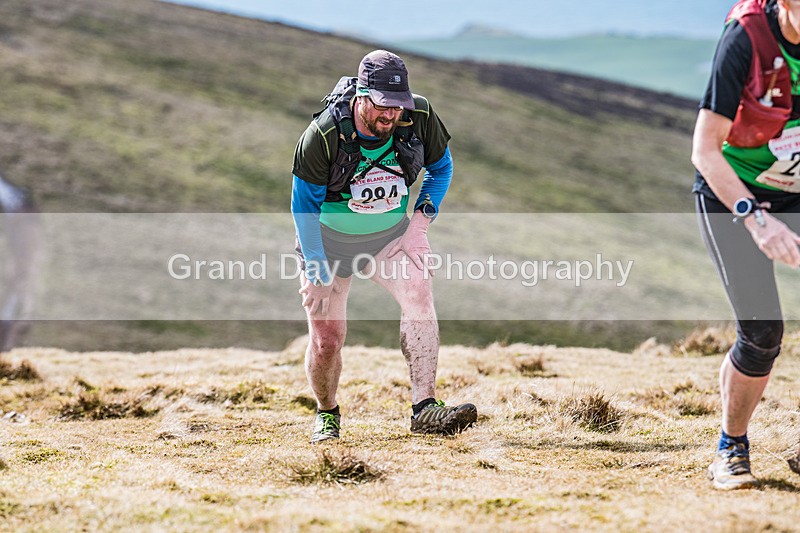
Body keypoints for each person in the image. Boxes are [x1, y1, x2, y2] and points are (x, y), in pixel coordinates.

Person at [291, 50, 477, 443]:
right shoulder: (323, 135)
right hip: (327, 245)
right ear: (361, 95)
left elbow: (442, 168)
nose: (391, 116)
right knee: (327, 340)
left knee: (419, 295)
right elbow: (302, 207)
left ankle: (424, 409)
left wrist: (419, 227)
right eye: (382, 106)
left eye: (399, 106)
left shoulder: (419, 117)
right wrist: (315, 267)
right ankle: (327, 414)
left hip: (390, 240)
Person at [692, 0, 800, 490]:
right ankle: (730, 448)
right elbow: (705, 150)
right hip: (732, 191)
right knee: (761, 334)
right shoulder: (747, 37)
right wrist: (758, 223)